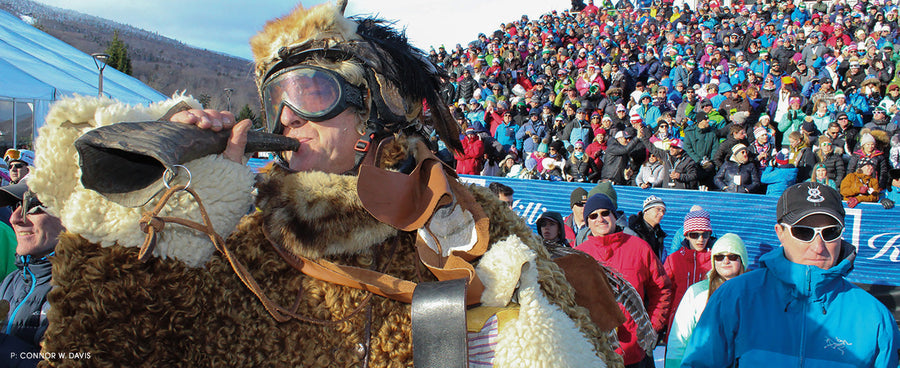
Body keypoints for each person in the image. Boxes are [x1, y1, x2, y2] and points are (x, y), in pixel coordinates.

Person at [28, 2, 622, 366]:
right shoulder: (236, 238)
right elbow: (89, 352)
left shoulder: (474, 224)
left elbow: (589, 352)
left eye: (310, 91)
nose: (286, 118)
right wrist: (152, 220)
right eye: (273, 100)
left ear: (371, 107)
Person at [682, 182, 900, 367]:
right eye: (803, 231)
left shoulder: (874, 316)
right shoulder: (735, 298)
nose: (818, 246)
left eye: (830, 232)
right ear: (781, 233)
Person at [576, 193, 673, 367]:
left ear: (614, 216)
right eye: (593, 215)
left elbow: (662, 289)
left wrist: (652, 326)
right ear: (588, 222)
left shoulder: (639, 247)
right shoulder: (579, 255)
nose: (600, 219)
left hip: (635, 353)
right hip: (593, 353)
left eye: (605, 213)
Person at [0, 181, 63, 367]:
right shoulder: (14, 280)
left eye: (33, 207)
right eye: (16, 205)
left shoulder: (93, 287)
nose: (15, 218)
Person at [664, 233, 748, 368]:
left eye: (732, 257)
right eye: (720, 257)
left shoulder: (752, 293)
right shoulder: (697, 292)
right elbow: (679, 338)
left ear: (742, 260)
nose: (725, 261)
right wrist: (673, 364)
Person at [662, 208, 715, 343]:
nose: (700, 239)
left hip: (707, 323)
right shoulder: (673, 259)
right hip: (678, 323)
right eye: (694, 235)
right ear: (686, 235)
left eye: (705, 234)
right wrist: (663, 321)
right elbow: (664, 292)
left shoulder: (717, 259)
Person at [624, 195, 668, 260]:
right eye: (658, 209)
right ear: (646, 211)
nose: (662, 214)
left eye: (663, 211)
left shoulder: (658, 234)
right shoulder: (632, 232)